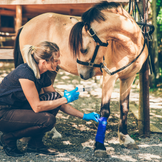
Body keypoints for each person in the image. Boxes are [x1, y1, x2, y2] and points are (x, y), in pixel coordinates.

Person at [0, 41, 100, 157]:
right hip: (4, 114)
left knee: (55, 97)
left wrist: (85, 116)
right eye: (56, 60)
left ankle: (35, 144)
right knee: (48, 120)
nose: (59, 62)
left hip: (17, 110)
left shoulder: (43, 74)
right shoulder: (25, 73)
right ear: (44, 62)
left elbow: (58, 102)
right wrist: (64, 99)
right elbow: (37, 107)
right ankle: (9, 138)